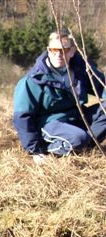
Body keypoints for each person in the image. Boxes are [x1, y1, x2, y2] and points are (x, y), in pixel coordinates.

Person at [13, 28, 106, 164]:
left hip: (76, 118)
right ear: (48, 49)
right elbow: (22, 117)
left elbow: (102, 86)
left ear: (73, 51)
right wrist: (35, 150)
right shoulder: (33, 80)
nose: (58, 55)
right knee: (79, 138)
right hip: (49, 124)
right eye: (54, 50)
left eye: (64, 50)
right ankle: (55, 147)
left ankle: (81, 145)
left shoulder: (81, 69)